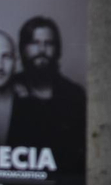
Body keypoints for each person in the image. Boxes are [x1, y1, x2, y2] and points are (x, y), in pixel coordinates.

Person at [17, 16, 86, 171]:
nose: (41, 50)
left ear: (58, 49)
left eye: (48, 44)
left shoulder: (74, 95)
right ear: (23, 48)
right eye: (34, 43)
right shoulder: (8, 90)